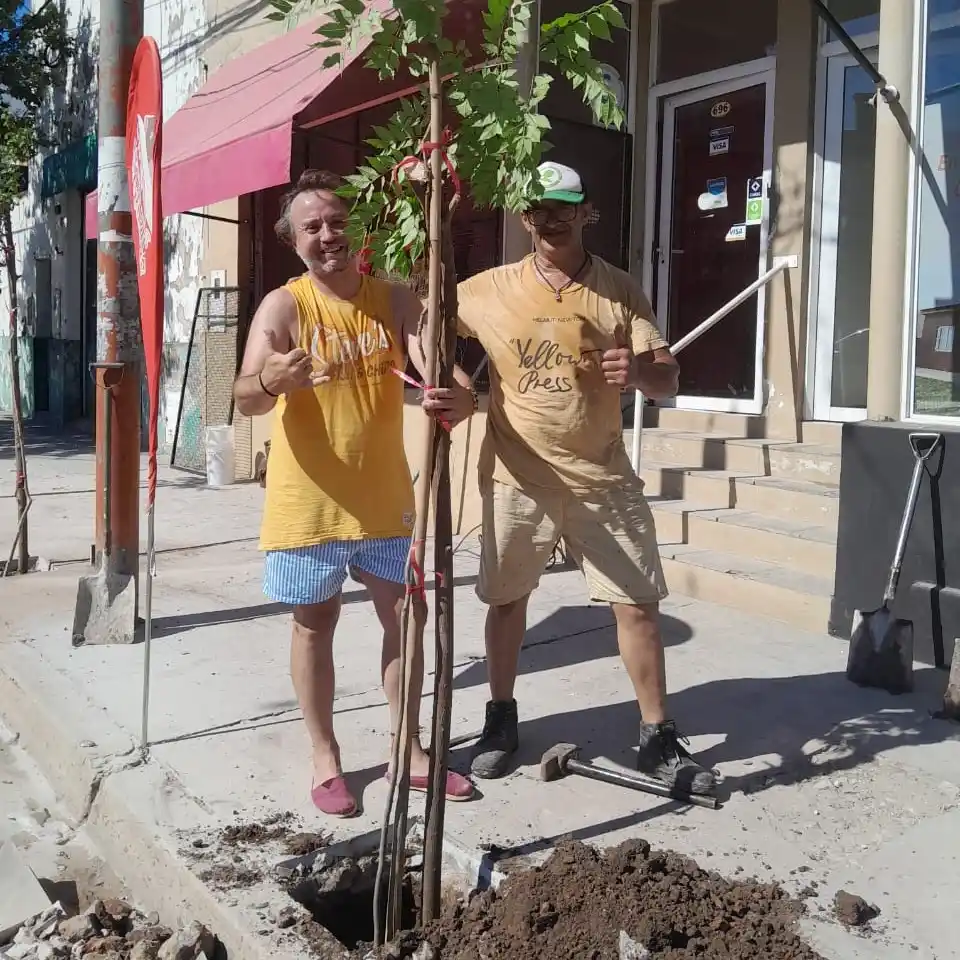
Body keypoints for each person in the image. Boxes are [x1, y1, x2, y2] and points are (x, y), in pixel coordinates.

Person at [456, 161, 716, 795]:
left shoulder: (620, 290)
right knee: (506, 600)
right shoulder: (486, 288)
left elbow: (667, 378)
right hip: (519, 477)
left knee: (638, 605)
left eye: (563, 206)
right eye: (538, 208)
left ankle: (657, 735)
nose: (551, 218)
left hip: (602, 476)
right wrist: (459, 389)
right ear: (524, 217)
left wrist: (638, 374)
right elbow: (429, 329)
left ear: (586, 211)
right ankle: (500, 720)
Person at [233, 169, 477, 817]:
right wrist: (273, 378)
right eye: (312, 227)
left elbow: (442, 368)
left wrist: (459, 395)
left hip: (384, 499)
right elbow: (246, 396)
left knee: (407, 616)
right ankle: (324, 756)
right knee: (315, 624)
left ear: (357, 228)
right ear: (293, 241)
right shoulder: (284, 307)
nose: (328, 234)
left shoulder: (394, 300)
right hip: (307, 501)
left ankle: (411, 749)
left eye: (337, 221)